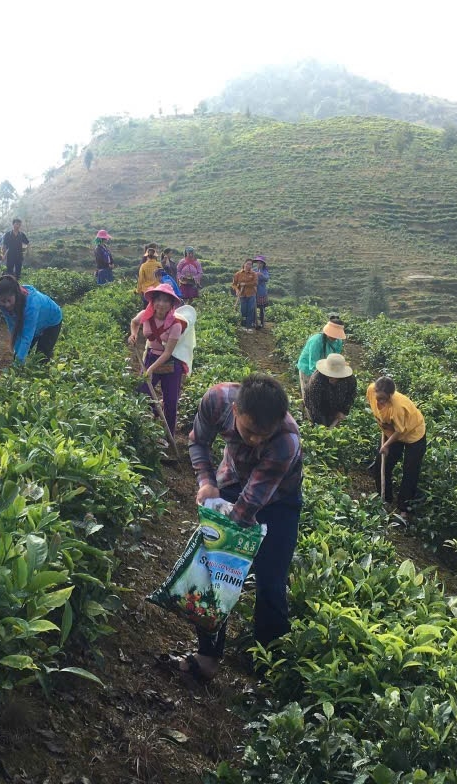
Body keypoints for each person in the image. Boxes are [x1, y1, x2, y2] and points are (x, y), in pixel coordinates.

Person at [182, 373, 302, 683]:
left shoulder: (286, 441)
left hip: (279, 501)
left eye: (265, 434)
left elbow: (248, 507)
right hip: (233, 481)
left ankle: (269, 668)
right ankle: (207, 656)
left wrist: (222, 536)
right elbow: (198, 442)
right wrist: (207, 483)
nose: (256, 440)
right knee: (215, 568)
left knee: (271, 580)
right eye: (249, 431)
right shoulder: (217, 400)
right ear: (235, 411)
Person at [128, 284, 196, 439]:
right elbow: (134, 322)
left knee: (171, 402)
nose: (161, 304)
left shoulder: (176, 325)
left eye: (166, 301)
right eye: (158, 300)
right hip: (151, 356)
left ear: (172, 305)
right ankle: (149, 422)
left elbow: (167, 353)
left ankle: (169, 437)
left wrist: (150, 369)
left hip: (171, 362)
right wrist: (133, 335)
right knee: (142, 394)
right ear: (153, 301)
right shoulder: (146, 314)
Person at [366, 375, 426, 524]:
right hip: (391, 432)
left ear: (390, 396)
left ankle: (404, 507)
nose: (379, 402)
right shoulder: (370, 391)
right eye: (378, 397)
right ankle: (385, 499)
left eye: (383, 399)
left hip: (413, 434)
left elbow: (400, 431)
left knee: (410, 470)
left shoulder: (398, 407)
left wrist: (386, 445)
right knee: (382, 464)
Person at [0, 274, 63, 363]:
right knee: (19, 353)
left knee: (41, 356)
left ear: (16, 295)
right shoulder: (4, 306)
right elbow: (13, 328)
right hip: (37, 321)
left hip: (52, 321)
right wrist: (17, 353)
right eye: (3, 301)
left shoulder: (31, 305)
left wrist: (19, 363)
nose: (6, 304)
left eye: (9, 300)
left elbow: (27, 336)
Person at [295, 315, 346, 399]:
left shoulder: (338, 342)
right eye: (333, 334)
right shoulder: (316, 341)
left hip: (324, 367)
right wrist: (324, 378)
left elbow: (335, 359)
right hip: (308, 368)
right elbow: (313, 364)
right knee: (309, 394)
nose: (334, 337)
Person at [303, 353, 358, 426]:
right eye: (329, 376)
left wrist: (342, 411)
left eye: (335, 376)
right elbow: (315, 406)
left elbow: (351, 395)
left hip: (337, 404)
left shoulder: (350, 379)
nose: (331, 379)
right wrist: (321, 426)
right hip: (319, 406)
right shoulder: (317, 380)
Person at [231, 259, 259, 330]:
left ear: (251, 266)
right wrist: (237, 290)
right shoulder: (238, 274)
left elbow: (255, 283)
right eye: (247, 264)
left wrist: (245, 284)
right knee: (243, 310)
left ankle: (249, 326)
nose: (248, 265)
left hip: (251, 294)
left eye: (250, 264)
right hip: (242, 295)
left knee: (250, 310)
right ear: (244, 264)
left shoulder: (253, 274)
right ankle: (243, 326)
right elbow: (233, 284)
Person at [253, 256, 270, 328]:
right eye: (258, 263)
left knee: (261, 308)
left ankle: (262, 323)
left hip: (261, 291)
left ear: (263, 264)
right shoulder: (254, 270)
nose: (259, 264)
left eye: (260, 263)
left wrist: (261, 275)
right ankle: (254, 322)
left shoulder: (265, 271)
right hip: (254, 291)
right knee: (253, 307)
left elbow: (267, 279)